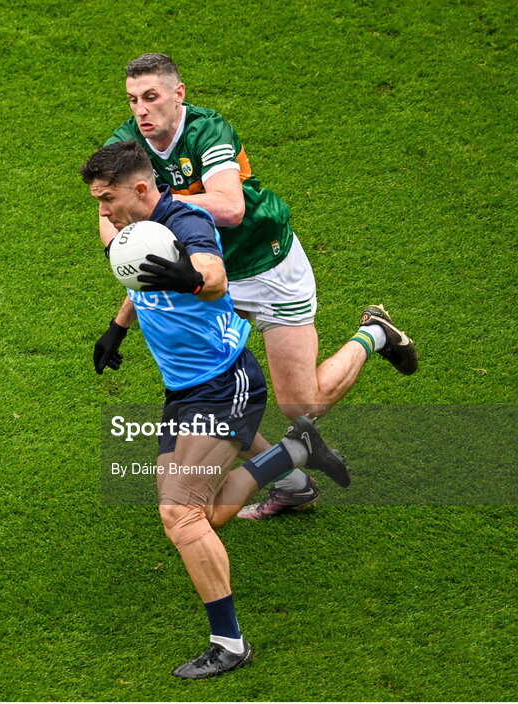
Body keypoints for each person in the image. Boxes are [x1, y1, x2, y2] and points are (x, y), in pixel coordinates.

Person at [93, 53, 417, 519]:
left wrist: (156, 208)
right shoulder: (126, 145)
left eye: (151, 98)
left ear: (177, 95)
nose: (141, 111)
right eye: (132, 100)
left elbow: (229, 207)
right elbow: (113, 228)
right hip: (202, 275)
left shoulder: (207, 130)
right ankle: (291, 481)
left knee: (300, 402)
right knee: (211, 388)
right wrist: (120, 319)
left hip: (266, 267)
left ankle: (376, 334)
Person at [82, 141, 348, 678]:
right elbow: (142, 273)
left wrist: (189, 277)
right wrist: (117, 328)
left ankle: (230, 643)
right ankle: (295, 449)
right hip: (186, 391)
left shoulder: (188, 221)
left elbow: (213, 275)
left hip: (222, 388)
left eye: (107, 200)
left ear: (140, 189)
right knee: (208, 513)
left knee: (180, 516)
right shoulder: (134, 232)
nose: (102, 212)